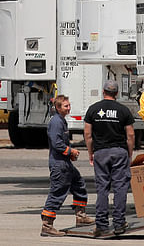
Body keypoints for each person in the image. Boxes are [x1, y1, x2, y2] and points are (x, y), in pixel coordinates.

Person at [84, 80, 135, 236]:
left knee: (102, 188)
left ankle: (101, 225)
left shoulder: (93, 109)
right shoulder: (124, 110)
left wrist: (90, 152)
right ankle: (119, 224)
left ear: (103, 91)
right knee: (120, 188)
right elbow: (131, 134)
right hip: (119, 152)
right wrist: (129, 153)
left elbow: (87, 134)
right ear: (117, 93)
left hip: (101, 153)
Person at [39, 95, 94, 237]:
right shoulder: (56, 122)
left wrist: (69, 155)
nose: (68, 108)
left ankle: (80, 216)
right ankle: (47, 225)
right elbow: (56, 143)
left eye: (69, 105)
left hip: (65, 162)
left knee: (79, 184)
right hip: (59, 165)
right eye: (65, 106)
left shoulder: (62, 121)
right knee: (57, 192)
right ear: (58, 108)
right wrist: (71, 151)